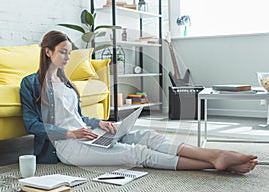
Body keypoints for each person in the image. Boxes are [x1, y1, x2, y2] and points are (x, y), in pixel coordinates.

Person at [20, 30, 258, 174]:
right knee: (138, 154)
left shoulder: (67, 82)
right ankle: (215, 163)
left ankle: (212, 154)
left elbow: (78, 118)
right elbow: (32, 125)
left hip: (88, 134)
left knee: (147, 136)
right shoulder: (31, 84)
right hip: (67, 146)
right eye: (63, 52)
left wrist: (100, 123)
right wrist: (72, 134)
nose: (67, 57)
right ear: (48, 52)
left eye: (70, 52)